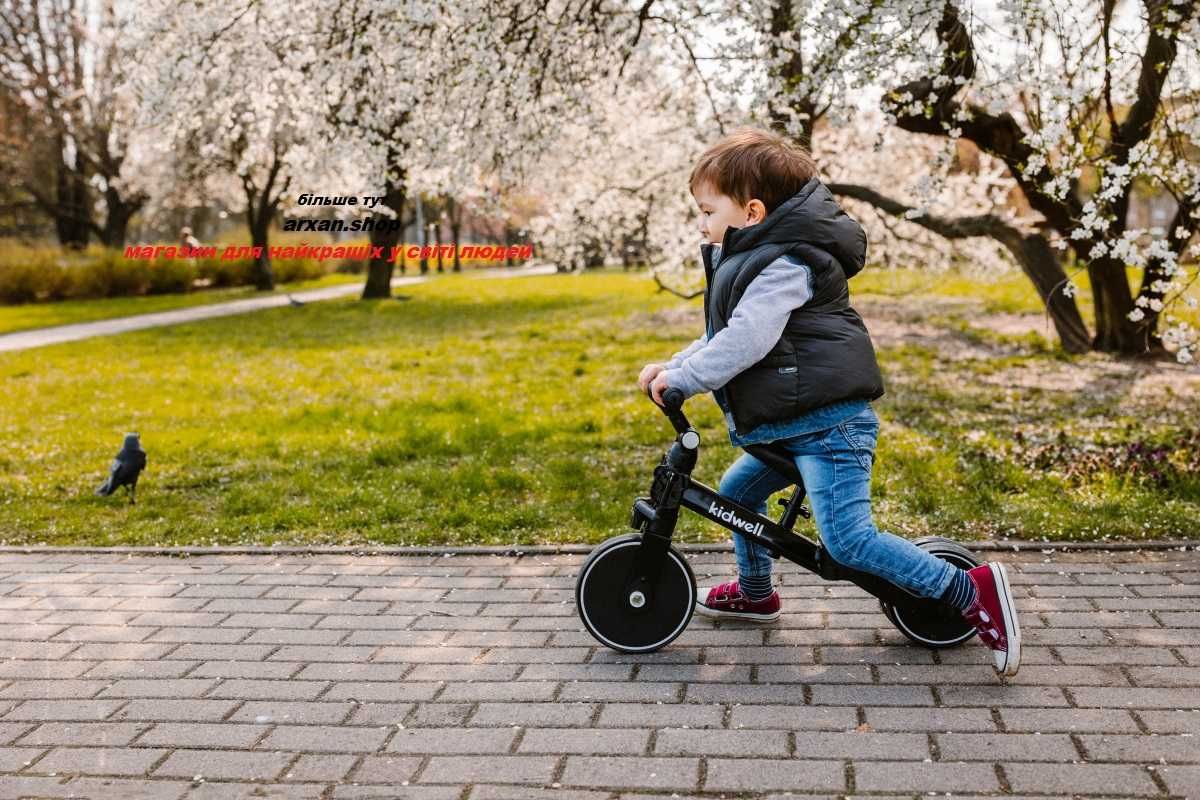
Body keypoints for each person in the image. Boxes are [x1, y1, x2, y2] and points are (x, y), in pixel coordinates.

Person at [636, 127, 1021, 678]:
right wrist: (676, 365)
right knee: (737, 494)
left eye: (706, 209)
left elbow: (749, 339)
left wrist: (687, 380)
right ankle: (755, 591)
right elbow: (726, 334)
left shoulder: (787, 264)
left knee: (846, 540)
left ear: (751, 211)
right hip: (793, 424)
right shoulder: (754, 259)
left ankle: (970, 590)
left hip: (829, 428)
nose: (700, 223)